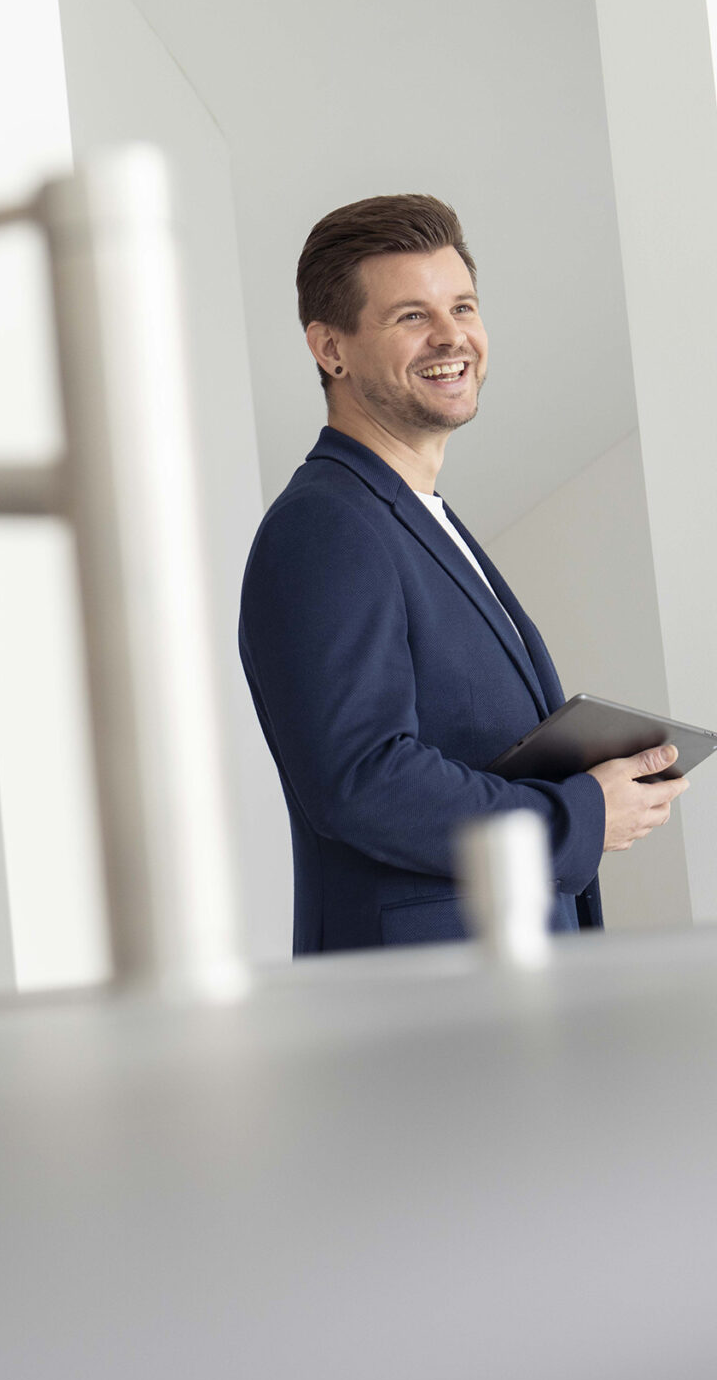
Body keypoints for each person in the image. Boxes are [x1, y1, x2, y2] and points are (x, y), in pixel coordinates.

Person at [239, 195, 686, 951]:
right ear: (330, 348)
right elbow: (363, 779)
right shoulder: (326, 526)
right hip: (421, 992)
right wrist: (579, 816)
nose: (452, 336)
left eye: (463, 306)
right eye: (411, 315)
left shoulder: (418, 518)